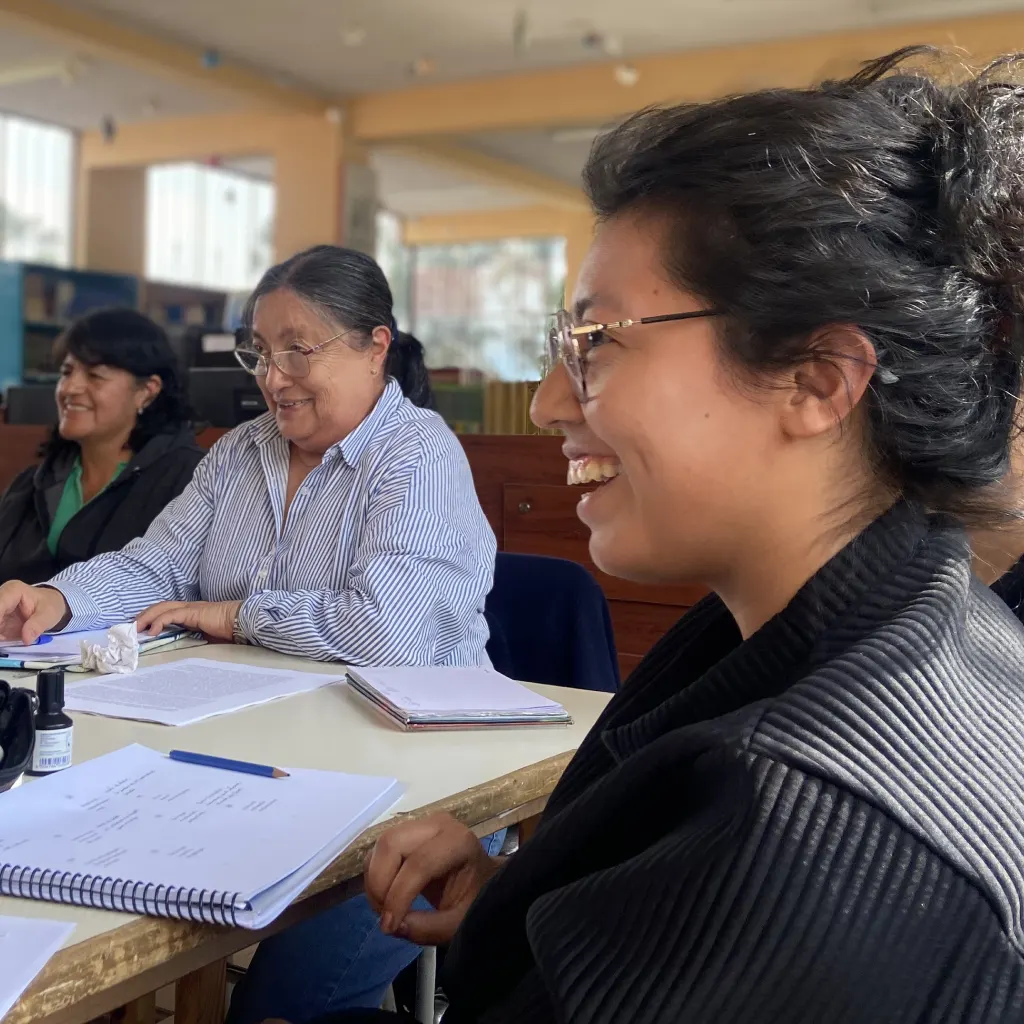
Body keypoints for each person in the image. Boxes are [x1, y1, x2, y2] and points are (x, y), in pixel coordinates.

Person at [333, 49, 1024, 1024]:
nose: (545, 403)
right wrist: (528, 906)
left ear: (818, 381)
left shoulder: (799, 827)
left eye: (597, 341)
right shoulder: (940, 633)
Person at [0, 245, 497, 1021]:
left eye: (300, 349)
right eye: (261, 352)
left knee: (280, 1004)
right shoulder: (241, 452)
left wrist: (236, 615)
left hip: (419, 792)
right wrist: (51, 600)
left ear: (376, 345)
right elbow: (159, 565)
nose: (272, 376)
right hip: (263, 756)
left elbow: (388, 633)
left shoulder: (417, 454)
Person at [0, 308, 202, 585]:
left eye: (95, 375)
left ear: (147, 390)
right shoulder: (32, 484)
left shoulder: (190, 482)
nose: (70, 388)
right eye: (66, 372)